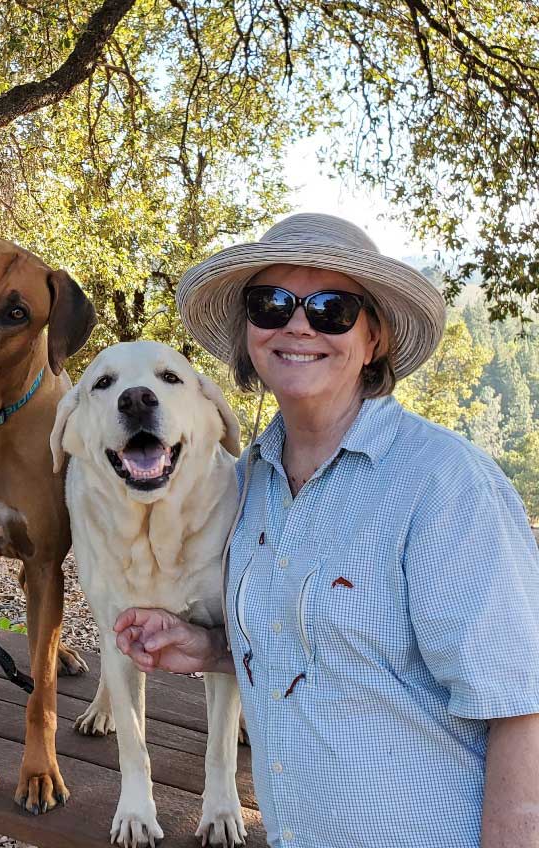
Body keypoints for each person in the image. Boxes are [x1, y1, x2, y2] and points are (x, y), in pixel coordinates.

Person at [113, 214, 539, 847]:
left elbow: (519, 708)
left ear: (374, 340)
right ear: (250, 334)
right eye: (272, 303)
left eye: (332, 309)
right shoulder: (248, 485)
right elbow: (332, 655)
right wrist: (208, 649)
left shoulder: (443, 483)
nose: (297, 324)